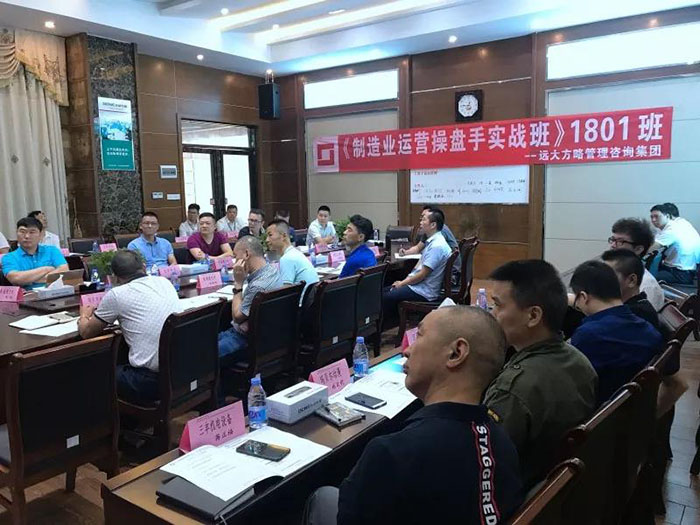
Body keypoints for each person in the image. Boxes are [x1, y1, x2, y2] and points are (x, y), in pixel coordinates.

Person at [304, 306, 522, 525]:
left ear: (456, 353)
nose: (407, 350)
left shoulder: (392, 454)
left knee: (323, 497)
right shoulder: (503, 443)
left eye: (420, 335)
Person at [483, 259, 597, 488]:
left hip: (521, 492)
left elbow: (484, 464)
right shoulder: (578, 360)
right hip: (558, 487)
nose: (492, 314)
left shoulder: (512, 391)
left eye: (497, 306)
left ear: (533, 316)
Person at [77, 250, 180, 404]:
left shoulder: (117, 294)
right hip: (180, 371)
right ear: (143, 267)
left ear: (115, 277)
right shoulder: (164, 282)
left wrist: (84, 315)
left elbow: (86, 332)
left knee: (94, 372)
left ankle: (113, 419)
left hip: (151, 381)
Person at [601, 249, 687, 417]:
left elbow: (679, 384)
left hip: (621, 410)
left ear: (632, 280)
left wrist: (648, 423)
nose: (600, 282)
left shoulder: (635, 318)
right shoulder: (640, 306)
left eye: (607, 277)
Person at [570, 260, 662, 405]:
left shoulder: (588, 334)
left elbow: (573, 388)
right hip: (633, 409)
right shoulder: (649, 329)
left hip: (598, 412)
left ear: (583, 297)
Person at [382, 208, 452, 328]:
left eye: (424, 220)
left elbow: (422, 274)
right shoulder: (433, 241)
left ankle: (384, 327)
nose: (420, 223)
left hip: (424, 291)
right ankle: (391, 323)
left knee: (386, 296)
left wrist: (402, 283)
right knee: (385, 290)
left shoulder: (437, 246)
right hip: (420, 286)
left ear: (433, 225)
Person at [217, 236, 282, 361]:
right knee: (203, 343)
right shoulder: (273, 271)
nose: (235, 262)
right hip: (268, 337)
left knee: (202, 355)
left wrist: (238, 284)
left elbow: (237, 317)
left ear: (246, 254)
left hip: (246, 340)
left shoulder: (258, 286)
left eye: (236, 256)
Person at [609, 217, 664, 310]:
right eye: (613, 240)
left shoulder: (647, 286)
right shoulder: (614, 273)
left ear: (638, 249)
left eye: (620, 241)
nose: (613, 245)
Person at [1, 216, 68, 289]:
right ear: (17, 233)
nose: (27, 236)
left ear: (41, 235)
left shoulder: (52, 250)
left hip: (54, 292)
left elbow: (64, 270)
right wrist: (46, 269)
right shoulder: (9, 257)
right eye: (22, 232)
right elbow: (16, 278)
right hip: (27, 295)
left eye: (32, 232)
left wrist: (30, 279)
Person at [266, 219, 318, 299]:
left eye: (270, 235)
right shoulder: (295, 253)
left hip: (301, 304)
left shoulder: (287, 258)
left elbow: (286, 293)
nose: (267, 240)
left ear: (284, 236)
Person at [649, 203, 700, 285]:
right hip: (691, 268)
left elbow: (653, 247)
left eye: (657, 216)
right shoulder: (683, 223)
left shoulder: (673, 228)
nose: (653, 220)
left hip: (680, 273)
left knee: (648, 278)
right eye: (651, 217)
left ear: (668, 216)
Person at [339, 214, 377, 278]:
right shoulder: (369, 253)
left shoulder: (354, 260)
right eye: (346, 229)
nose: (344, 232)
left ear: (360, 237)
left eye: (349, 230)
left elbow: (338, 282)